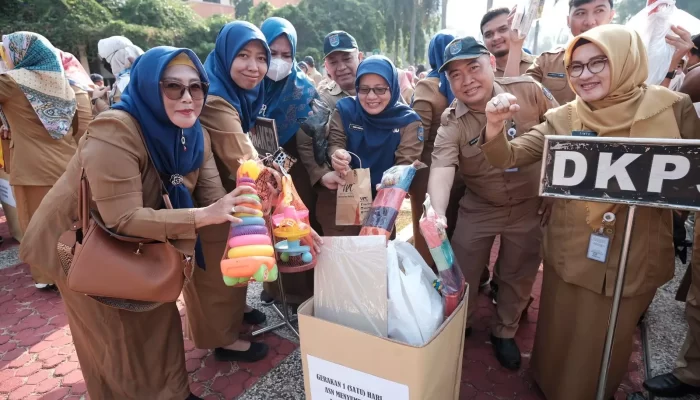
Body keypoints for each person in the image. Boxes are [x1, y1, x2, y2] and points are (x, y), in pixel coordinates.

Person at [19, 45, 255, 400]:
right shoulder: (114, 130)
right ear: (147, 86)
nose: (187, 97)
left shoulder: (194, 134)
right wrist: (204, 216)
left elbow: (213, 196)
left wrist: (257, 222)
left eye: (196, 87)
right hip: (84, 243)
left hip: (144, 241)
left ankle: (172, 391)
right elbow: (123, 218)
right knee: (116, 338)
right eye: (172, 86)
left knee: (158, 320)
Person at [480, 25, 699, 399]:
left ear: (625, 60)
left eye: (599, 62)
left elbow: (690, 178)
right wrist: (494, 126)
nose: (585, 75)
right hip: (575, 244)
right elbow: (508, 156)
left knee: (610, 333)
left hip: (636, 247)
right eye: (576, 66)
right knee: (561, 325)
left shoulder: (669, 106)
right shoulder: (564, 117)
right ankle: (549, 382)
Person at [427, 36, 558, 370]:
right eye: (455, 74)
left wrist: (554, 192)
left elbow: (564, 135)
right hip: (481, 205)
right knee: (462, 269)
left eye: (473, 67)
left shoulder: (529, 90)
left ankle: (504, 330)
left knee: (519, 271)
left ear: (492, 63)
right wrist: (437, 213)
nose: (466, 79)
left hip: (530, 204)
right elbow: (442, 167)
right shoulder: (452, 122)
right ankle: (462, 323)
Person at [185, 21, 270, 363]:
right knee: (214, 271)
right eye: (243, 56)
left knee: (231, 262)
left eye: (261, 58)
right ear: (225, 55)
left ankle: (232, 316)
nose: (255, 66)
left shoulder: (235, 92)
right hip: (209, 197)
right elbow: (244, 157)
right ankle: (222, 339)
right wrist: (280, 185)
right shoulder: (217, 99)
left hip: (228, 193)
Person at [0, 32, 90, 289]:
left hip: (32, 168)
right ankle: (78, 268)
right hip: (66, 163)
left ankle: (48, 277)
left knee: (38, 225)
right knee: (68, 222)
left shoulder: (12, 81)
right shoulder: (61, 80)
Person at [259, 17, 319, 306]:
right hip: (259, 177)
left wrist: (278, 166)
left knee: (295, 231)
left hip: (295, 179)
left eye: (287, 55)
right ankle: (274, 289)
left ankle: (301, 294)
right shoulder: (249, 88)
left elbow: (313, 140)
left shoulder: (304, 89)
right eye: (272, 53)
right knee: (269, 232)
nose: (279, 61)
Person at [328, 55, 423, 203]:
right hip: (345, 198)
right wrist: (338, 155)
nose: (371, 96)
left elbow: (405, 163)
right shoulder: (345, 110)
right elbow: (335, 143)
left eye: (380, 89)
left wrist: (393, 182)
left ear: (393, 88)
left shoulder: (408, 120)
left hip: (386, 199)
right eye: (364, 89)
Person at [297, 30, 364, 236]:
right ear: (326, 66)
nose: (341, 67)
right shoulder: (322, 100)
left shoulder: (381, 90)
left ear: (359, 57)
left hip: (378, 193)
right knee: (343, 259)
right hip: (339, 196)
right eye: (333, 62)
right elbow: (304, 140)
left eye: (347, 58)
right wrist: (322, 174)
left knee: (381, 257)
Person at [410, 30, 465, 266]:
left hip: (428, 171)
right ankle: (455, 284)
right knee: (453, 225)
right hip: (461, 169)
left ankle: (428, 280)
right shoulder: (462, 83)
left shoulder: (427, 87)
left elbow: (415, 133)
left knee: (429, 230)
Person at [504, 0, 615, 105]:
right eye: (580, 13)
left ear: (611, 15)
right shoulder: (547, 62)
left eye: (599, 11)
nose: (590, 22)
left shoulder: (628, 60)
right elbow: (514, 97)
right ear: (568, 21)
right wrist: (515, 44)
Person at [481, 7, 535, 77]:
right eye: (488, 34)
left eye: (502, 29)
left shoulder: (538, 65)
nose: (496, 37)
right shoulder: (480, 72)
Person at [97, 36, 143, 109]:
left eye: (106, 61)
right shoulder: (134, 76)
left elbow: (122, 114)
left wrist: (96, 100)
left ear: (115, 58)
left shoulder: (125, 81)